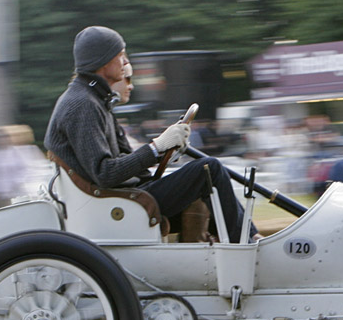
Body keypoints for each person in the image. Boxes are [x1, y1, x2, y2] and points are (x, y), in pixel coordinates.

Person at [44, 26, 259, 243]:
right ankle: (247, 241)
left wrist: (164, 151)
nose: (125, 63)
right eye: (121, 56)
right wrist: (157, 146)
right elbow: (106, 173)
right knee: (208, 169)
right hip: (117, 202)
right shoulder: (83, 104)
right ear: (103, 61)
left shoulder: (94, 100)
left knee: (203, 176)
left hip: (123, 195)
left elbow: (123, 161)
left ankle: (230, 245)